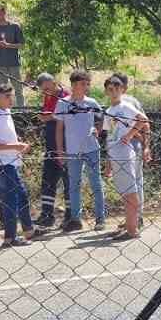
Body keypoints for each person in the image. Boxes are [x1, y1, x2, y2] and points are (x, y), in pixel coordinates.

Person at [0, 82, 36, 247]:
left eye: (11, 95)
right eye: (7, 96)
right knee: (11, 200)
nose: (11, 99)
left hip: (10, 163)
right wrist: (16, 146)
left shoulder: (5, 112)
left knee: (21, 196)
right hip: (2, 165)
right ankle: (10, 237)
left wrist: (18, 145)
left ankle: (29, 230)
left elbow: (5, 139)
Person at [101, 72, 150, 241]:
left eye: (116, 88)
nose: (113, 92)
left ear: (122, 89)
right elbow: (109, 136)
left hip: (125, 154)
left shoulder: (125, 106)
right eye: (110, 89)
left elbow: (143, 119)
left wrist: (129, 135)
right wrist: (108, 163)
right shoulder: (109, 111)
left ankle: (132, 229)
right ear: (106, 92)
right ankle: (130, 225)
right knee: (125, 193)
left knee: (131, 192)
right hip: (115, 155)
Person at [56, 70, 106, 233]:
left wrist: (97, 130)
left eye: (87, 84)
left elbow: (102, 117)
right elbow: (59, 128)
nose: (86, 87)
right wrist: (60, 150)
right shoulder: (63, 103)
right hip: (72, 151)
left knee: (96, 183)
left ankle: (100, 218)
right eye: (83, 84)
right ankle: (76, 219)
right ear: (74, 84)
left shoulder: (91, 102)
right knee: (73, 185)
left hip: (91, 148)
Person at [36, 72, 68, 229]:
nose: (47, 92)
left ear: (55, 82)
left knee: (68, 180)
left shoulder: (66, 96)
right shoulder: (48, 97)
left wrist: (49, 117)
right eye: (44, 90)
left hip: (65, 145)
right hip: (50, 144)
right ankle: (47, 214)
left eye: (49, 88)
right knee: (48, 179)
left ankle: (70, 215)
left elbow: (68, 118)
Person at [0, 3, 24, 88]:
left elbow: (21, 45)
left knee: (18, 89)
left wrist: (8, 45)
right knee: (1, 90)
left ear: (4, 12)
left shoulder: (15, 26)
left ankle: (19, 102)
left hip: (14, 63)